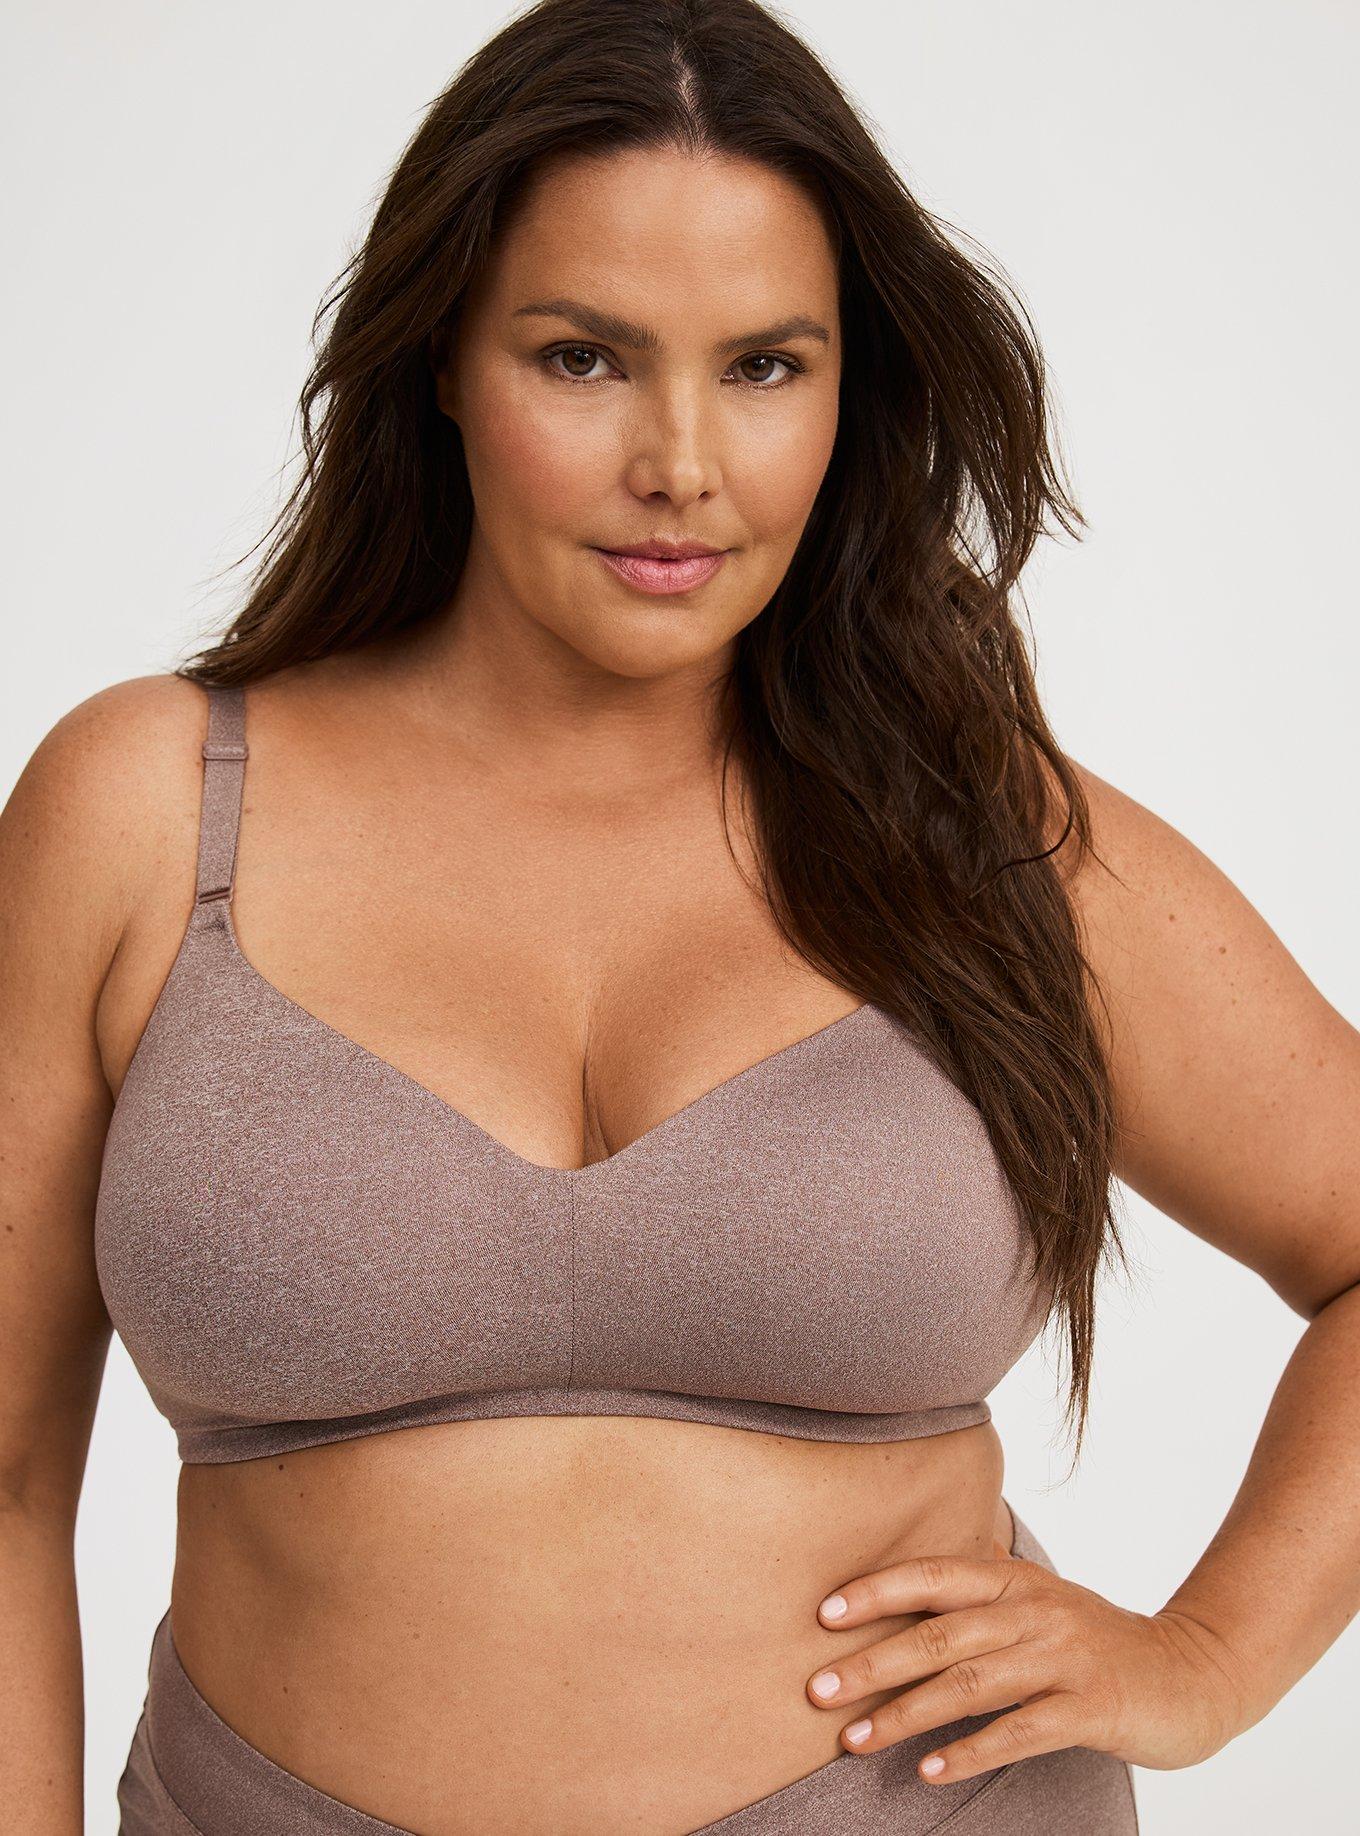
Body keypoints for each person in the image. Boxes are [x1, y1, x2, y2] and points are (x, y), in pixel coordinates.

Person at [3, 1, 1356, 1830]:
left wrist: (1209, 1657)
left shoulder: (992, 847)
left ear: (848, 392)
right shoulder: (149, 812)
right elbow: (8, 1483)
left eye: (767, 366)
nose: (682, 462)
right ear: (441, 361)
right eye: (583, 358)